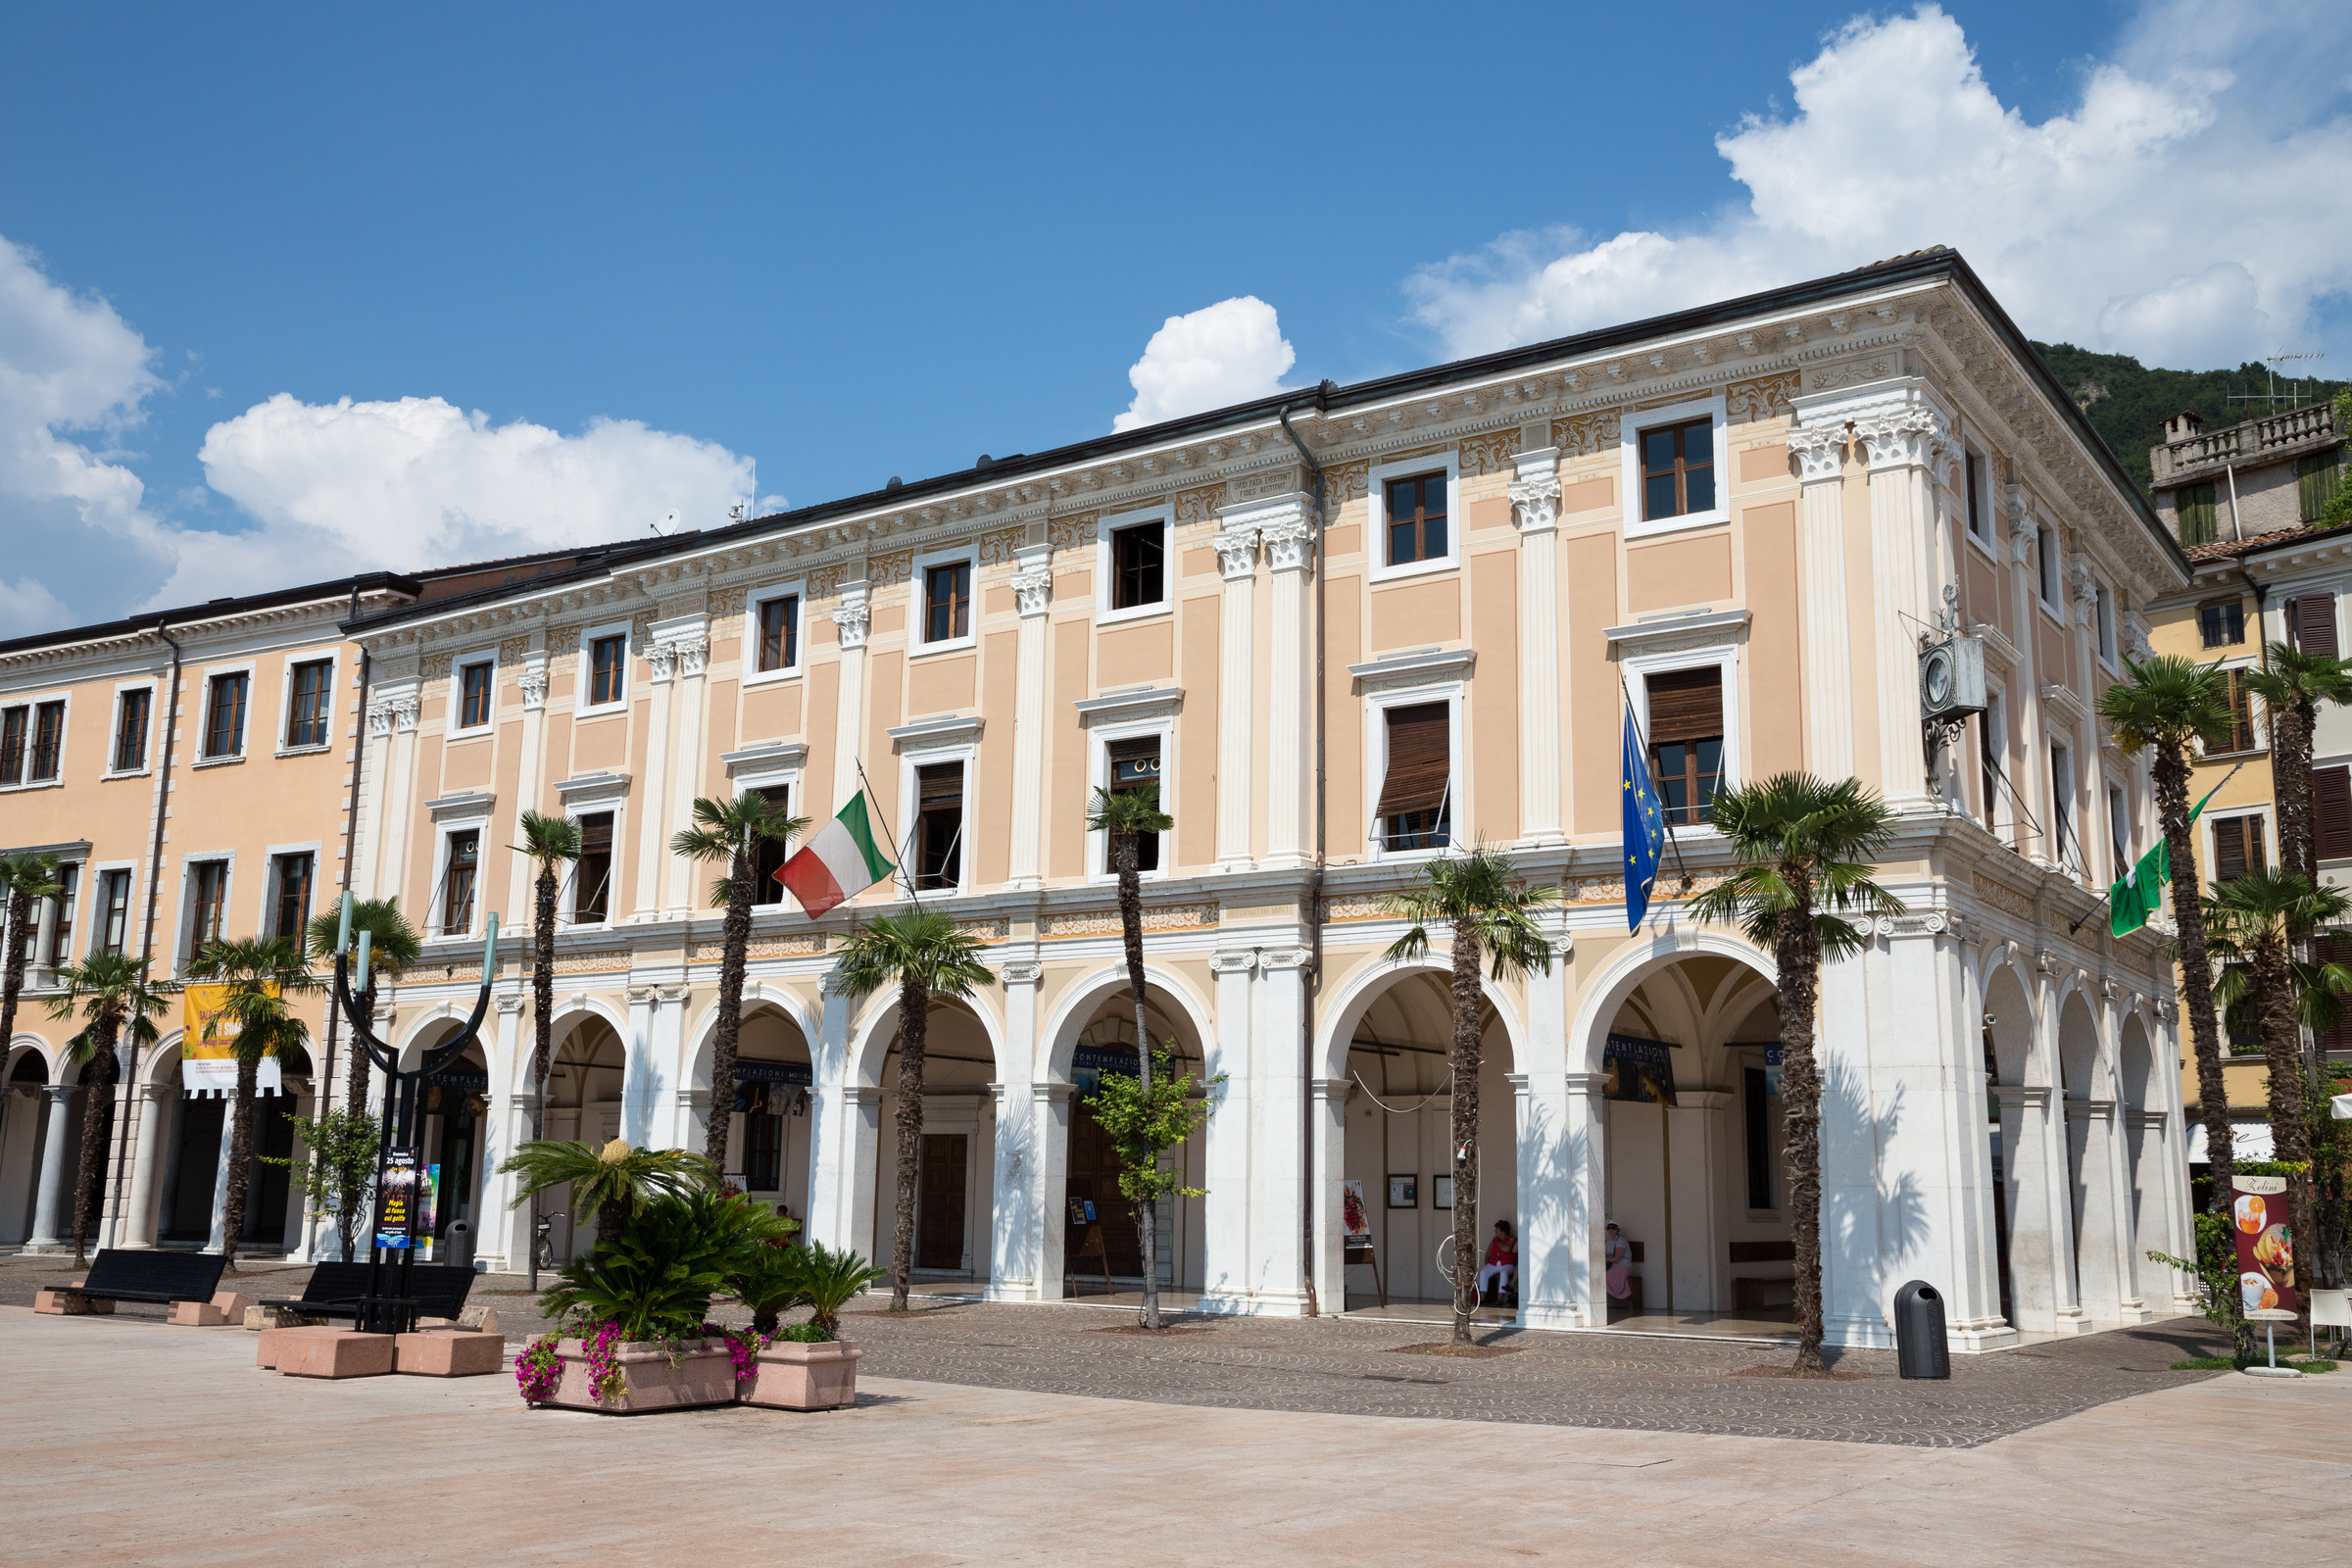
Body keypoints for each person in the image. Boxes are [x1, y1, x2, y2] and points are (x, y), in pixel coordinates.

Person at [1477, 1219, 1517, 1305]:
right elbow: (1488, 1254)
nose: (1495, 1231)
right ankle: (1482, 1298)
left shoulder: (1511, 1239)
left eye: (1497, 1229)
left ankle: (1500, 1299)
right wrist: (1487, 1265)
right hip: (1494, 1263)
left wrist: (1499, 1242)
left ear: (1502, 1230)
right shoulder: (1494, 1240)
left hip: (1507, 1264)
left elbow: (1507, 1249)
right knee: (1483, 1272)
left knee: (1504, 1273)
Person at [1604, 1222, 1634, 1300]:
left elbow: (1616, 1258)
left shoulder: (1621, 1241)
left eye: (1613, 1228)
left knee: (1606, 1276)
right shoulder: (1608, 1242)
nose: (1611, 1230)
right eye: (1609, 1228)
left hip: (1623, 1265)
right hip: (1612, 1265)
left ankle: (1621, 1293)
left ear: (1617, 1230)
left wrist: (1605, 1259)